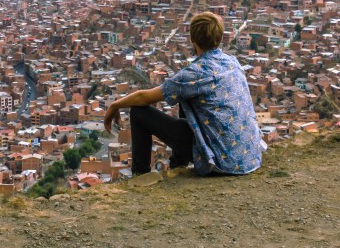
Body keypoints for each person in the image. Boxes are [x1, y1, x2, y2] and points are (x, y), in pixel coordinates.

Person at [103, 11, 265, 176]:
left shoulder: (194, 74)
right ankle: (178, 165)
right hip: (249, 158)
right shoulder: (232, 62)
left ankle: (140, 174)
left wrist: (115, 105)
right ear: (220, 37)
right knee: (183, 96)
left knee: (138, 112)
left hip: (222, 162)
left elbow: (142, 98)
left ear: (192, 39)